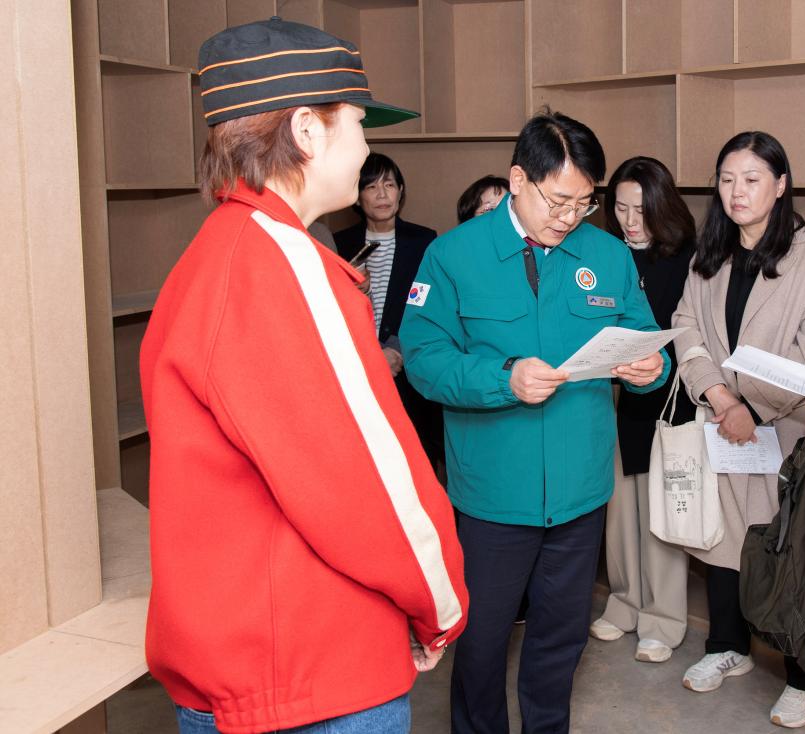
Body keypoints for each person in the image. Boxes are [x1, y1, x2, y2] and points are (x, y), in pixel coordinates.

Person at [139, 19, 467, 734]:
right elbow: (366, 480)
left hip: (232, 661)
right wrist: (440, 604)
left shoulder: (213, 256)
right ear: (307, 131)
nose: (368, 149)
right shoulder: (287, 267)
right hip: (312, 669)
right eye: (358, 124)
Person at [400, 109, 670, 734]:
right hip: (493, 497)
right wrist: (504, 379)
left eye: (584, 203)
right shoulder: (454, 255)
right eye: (558, 200)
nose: (571, 217)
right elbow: (425, 358)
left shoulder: (607, 254)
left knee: (560, 639)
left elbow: (644, 337)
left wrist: (649, 369)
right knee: (481, 642)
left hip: (580, 492)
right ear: (518, 179)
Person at [671, 131, 805, 728]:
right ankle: (728, 646)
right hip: (723, 423)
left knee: (788, 551)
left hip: (786, 433)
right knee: (723, 542)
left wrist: (750, 404)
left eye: (751, 179)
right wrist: (720, 397)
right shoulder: (711, 252)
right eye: (726, 179)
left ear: (780, 185)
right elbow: (686, 325)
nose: (737, 191)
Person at [587, 156, 696, 663]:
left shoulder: (687, 258)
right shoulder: (604, 255)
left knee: (661, 513)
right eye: (621, 209)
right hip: (613, 397)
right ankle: (625, 602)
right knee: (619, 509)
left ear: (662, 206)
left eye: (641, 210)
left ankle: (663, 618)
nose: (631, 221)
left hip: (669, 397)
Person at [335, 153, 444, 469]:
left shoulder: (424, 241)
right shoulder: (338, 243)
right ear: (358, 196)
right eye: (371, 187)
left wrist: (396, 350)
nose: (382, 194)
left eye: (389, 185)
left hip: (407, 368)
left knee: (416, 459)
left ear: (401, 191)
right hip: (356, 367)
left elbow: (428, 306)